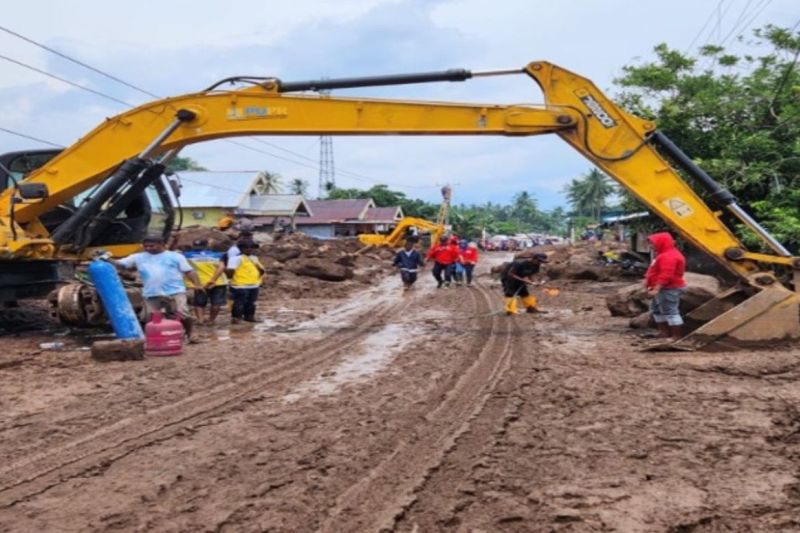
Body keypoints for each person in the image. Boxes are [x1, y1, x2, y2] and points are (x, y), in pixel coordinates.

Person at [116, 234, 203, 342]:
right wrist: (106, 259)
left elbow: (189, 271)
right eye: (146, 246)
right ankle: (156, 337)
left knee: (182, 312)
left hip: (175, 290)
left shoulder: (175, 256)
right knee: (147, 316)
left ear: (162, 245)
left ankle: (190, 333)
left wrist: (198, 285)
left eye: (152, 246)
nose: (148, 248)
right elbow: (120, 264)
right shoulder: (138, 257)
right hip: (151, 292)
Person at [645, 231, 687, 339]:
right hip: (665, 288)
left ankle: (676, 335)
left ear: (661, 242)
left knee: (670, 311)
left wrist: (656, 289)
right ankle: (664, 333)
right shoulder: (664, 254)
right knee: (657, 310)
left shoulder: (668, 256)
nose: (651, 246)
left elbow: (666, 275)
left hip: (669, 288)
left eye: (652, 243)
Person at [183, 239, 228, 325]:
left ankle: (200, 320)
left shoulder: (187, 255)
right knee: (216, 303)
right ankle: (211, 320)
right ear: (207, 245)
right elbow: (221, 267)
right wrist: (213, 280)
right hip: (218, 282)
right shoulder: (218, 255)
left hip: (200, 283)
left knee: (199, 303)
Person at [226, 240, 266, 324]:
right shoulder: (236, 258)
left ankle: (249, 317)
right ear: (241, 248)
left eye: (251, 247)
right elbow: (230, 271)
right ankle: (236, 318)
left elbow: (261, 269)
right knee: (239, 303)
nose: (249, 249)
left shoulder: (254, 258)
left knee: (251, 303)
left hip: (254, 284)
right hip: (240, 285)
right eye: (246, 247)